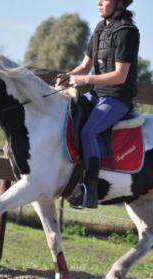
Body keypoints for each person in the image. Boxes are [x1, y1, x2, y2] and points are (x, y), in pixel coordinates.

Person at [57, 0, 140, 209]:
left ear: (120, 3)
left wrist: (86, 80)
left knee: (89, 132)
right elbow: (85, 66)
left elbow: (120, 76)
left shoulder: (127, 32)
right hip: (96, 95)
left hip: (117, 98)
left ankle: (90, 190)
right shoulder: (100, 28)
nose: (99, 2)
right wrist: (68, 76)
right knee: (66, 115)